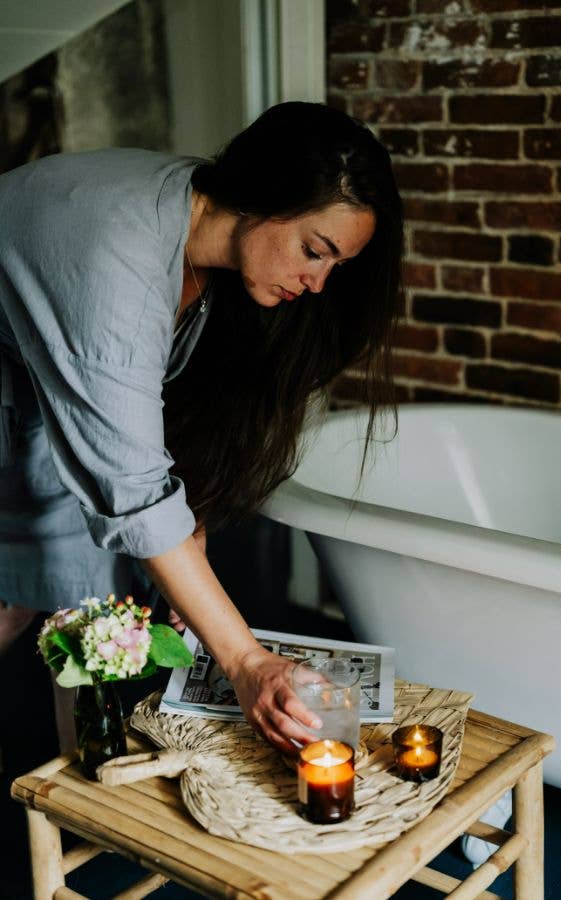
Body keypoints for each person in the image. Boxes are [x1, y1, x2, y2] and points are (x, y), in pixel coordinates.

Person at [0, 101, 403, 753]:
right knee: (24, 596)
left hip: (31, 384)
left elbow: (154, 414)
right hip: (18, 387)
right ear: (266, 196)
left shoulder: (199, 227)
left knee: (71, 595)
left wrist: (192, 528)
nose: (319, 281)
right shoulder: (115, 261)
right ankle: (74, 795)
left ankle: (84, 786)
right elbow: (130, 486)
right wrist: (248, 664)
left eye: (336, 265)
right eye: (313, 250)